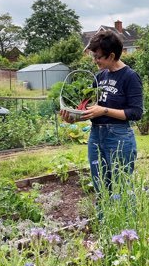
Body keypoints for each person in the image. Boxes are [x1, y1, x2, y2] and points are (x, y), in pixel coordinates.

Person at [60, 30, 143, 194]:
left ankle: (122, 219)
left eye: (98, 57)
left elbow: (136, 113)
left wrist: (104, 110)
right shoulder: (99, 76)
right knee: (101, 188)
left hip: (119, 137)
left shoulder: (130, 77)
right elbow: (90, 109)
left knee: (121, 188)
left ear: (111, 56)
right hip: (96, 136)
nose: (95, 60)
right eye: (94, 56)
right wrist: (73, 118)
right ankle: (103, 219)